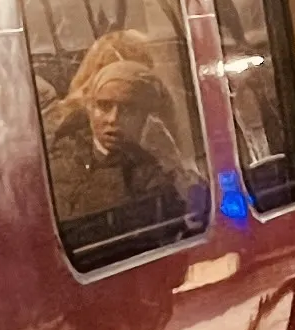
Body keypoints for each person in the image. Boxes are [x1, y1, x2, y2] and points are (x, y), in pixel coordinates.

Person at [42, 53, 196, 234]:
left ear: (145, 117)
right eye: (104, 106)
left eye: (128, 109)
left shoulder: (153, 176)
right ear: (90, 108)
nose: (113, 119)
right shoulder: (61, 154)